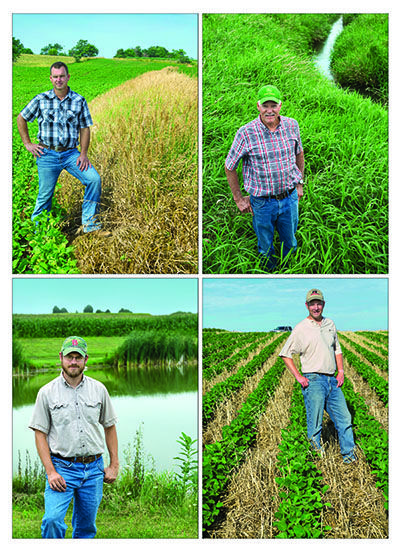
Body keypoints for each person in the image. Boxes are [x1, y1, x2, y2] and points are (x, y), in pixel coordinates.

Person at [29, 336, 119, 538]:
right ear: (61, 357)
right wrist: (51, 472)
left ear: (86, 359)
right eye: (69, 356)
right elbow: (40, 434)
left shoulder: (99, 390)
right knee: (52, 520)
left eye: (78, 357)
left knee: (86, 528)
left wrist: (114, 465)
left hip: (94, 469)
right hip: (62, 469)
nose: (73, 362)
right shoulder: (46, 393)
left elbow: (110, 427)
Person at [17, 61, 110, 236]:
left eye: (62, 76)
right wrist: (27, 143)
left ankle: (90, 225)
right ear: (51, 78)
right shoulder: (41, 99)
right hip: (47, 154)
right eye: (55, 76)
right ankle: (39, 234)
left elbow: (84, 128)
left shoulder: (79, 100)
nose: (59, 80)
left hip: (70, 153)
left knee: (93, 179)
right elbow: (21, 117)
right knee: (45, 195)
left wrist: (83, 154)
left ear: (68, 77)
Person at [225, 84, 304, 270]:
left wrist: (299, 183)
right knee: (265, 246)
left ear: (280, 106)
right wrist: (238, 198)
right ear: (258, 106)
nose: (270, 110)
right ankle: (270, 272)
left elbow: (299, 153)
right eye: (266, 106)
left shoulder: (292, 125)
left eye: (274, 105)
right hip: (261, 203)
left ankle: (289, 271)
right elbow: (230, 167)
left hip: (290, 198)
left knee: (290, 242)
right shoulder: (246, 132)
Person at [279, 289, 357, 463]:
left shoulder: (330, 324)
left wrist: (341, 371)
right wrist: (299, 377)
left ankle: (349, 457)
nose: (316, 307)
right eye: (312, 304)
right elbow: (286, 354)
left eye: (319, 303)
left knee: (345, 418)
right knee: (315, 424)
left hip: (332, 380)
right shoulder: (301, 328)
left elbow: (337, 349)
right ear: (307, 306)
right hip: (313, 380)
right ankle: (316, 461)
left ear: (323, 304)